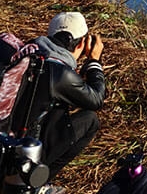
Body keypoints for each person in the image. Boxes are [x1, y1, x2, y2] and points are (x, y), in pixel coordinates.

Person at [30, 11, 106, 193]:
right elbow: (96, 99)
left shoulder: (30, 52)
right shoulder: (60, 73)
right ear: (81, 43)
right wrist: (94, 61)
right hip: (20, 154)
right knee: (90, 120)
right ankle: (35, 183)